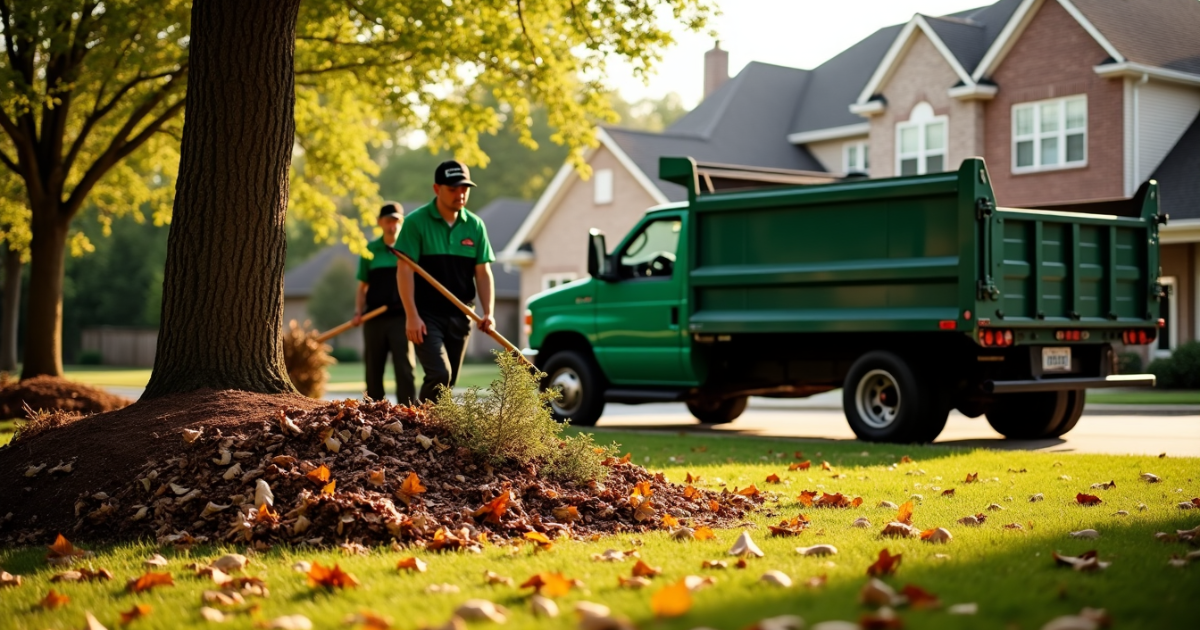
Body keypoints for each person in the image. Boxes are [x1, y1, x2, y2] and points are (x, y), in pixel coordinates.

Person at [395, 160, 495, 401]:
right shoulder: (416, 222)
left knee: (448, 383)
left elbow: (482, 273)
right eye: (453, 188)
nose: (460, 194)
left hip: (462, 314)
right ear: (437, 189)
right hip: (426, 316)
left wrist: (488, 312)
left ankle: (431, 432)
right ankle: (418, 423)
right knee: (440, 374)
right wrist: (411, 315)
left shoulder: (475, 225)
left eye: (465, 188)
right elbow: (404, 271)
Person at [353, 202, 416, 403]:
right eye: (389, 221)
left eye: (396, 220)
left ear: (401, 222)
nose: (392, 225)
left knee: (405, 368)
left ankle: (408, 411)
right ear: (380, 222)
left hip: (402, 318)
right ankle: (373, 411)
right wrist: (358, 311)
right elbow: (362, 287)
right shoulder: (370, 251)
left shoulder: (409, 250)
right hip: (374, 318)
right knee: (373, 368)